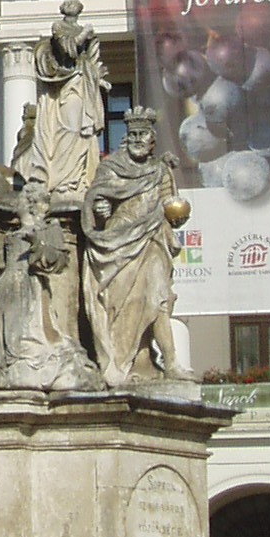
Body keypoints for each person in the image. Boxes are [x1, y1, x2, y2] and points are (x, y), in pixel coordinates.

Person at [79, 107, 190, 385]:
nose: (138, 139)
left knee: (158, 297)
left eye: (143, 134)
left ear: (153, 140)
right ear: (126, 137)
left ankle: (171, 362)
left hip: (151, 240)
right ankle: (125, 363)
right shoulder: (111, 168)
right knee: (122, 304)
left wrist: (178, 212)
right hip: (116, 244)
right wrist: (101, 208)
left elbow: (168, 203)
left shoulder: (159, 170)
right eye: (133, 134)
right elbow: (97, 198)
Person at [31, 0, 109, 196]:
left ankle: (79, 179)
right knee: (70, 128)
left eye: (74, 6)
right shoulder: (59, 27)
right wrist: (84, 34)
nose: (71, 8)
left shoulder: (87, 33)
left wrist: (99, 81)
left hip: (83, 83)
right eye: (69, 6)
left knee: (84, 133)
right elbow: (68, 49)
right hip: (67, 84)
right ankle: (64, 180)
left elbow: (91, 60)